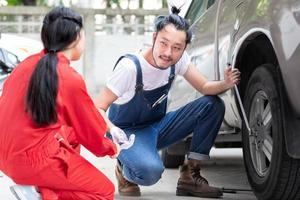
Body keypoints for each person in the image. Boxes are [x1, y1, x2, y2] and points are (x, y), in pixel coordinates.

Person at [95, 6, 241, 199]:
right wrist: (112, 131)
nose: (168, 53)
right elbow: (96, 107)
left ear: (184, 48)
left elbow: (205, 86)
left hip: (156, 127)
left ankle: (190, 174)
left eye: (176, 48)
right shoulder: (130, 68)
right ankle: (125, 168)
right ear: (154, 37)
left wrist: (226, 83)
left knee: (212, 105)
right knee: (150, 172)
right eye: (164, 43)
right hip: (126, 134)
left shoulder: (178, 61)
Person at [0, 6, 133, 200]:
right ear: (77, 37)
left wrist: (107, 128)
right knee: (103, 191)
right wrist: (111, 147)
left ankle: (45, 187)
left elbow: (81, 119)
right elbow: (89, 130)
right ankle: (39, 193)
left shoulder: (27, 64)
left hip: (6, 155)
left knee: (70, 132)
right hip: (31, 160)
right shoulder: (67, 77)